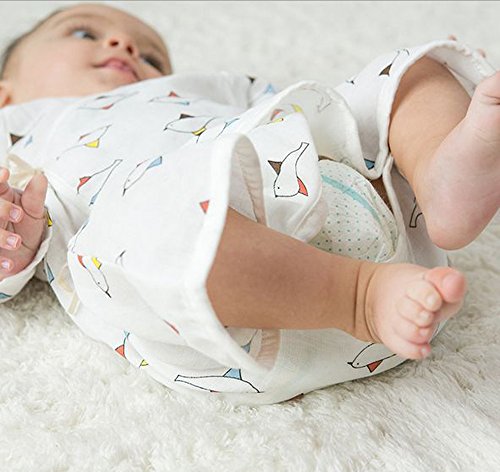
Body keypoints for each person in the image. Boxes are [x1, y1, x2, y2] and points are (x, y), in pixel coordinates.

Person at [0, 3, 497, 405]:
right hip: (245, 301)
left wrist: (411, 105)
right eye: (83, 33)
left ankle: (440, 171)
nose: (125, 45)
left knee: (410, 71)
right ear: (6, 94)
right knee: (131, 237)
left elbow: (317, 108)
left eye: (152, 56)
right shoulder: (19, 132)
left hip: (322, 183)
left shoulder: (204, 87)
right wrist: (14, 237)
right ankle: (360, 296)